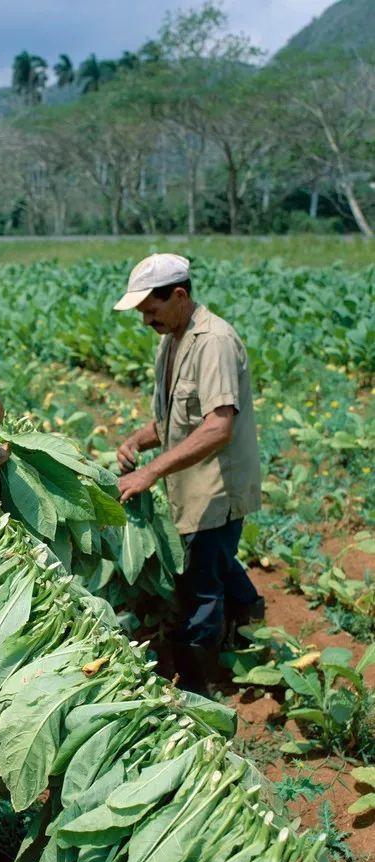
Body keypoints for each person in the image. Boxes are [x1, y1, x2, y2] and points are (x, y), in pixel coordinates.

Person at [112, 253, 265, 692]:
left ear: (179, 295)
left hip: (215, 486)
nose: (146, 321)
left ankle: (200, 686)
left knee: (200, 587)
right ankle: (250, 618)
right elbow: (174, 421)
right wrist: (137, 442)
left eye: (151, 310)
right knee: (212, 561)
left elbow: (218, 426)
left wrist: (150, 473)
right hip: (188, 482)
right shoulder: (172, 338)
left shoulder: (214, 341)